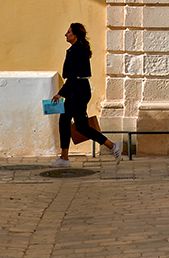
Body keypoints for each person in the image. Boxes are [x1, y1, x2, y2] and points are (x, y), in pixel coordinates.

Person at [51, 23, 122, 166]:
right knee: (64, 121)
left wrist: (60, 93)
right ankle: (64, 158)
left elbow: (73, 75)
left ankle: (113, 146)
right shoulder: (74, 49)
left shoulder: (78, 50)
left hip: (79, 90)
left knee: (81, 127)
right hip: (74, 89)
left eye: (69, 32)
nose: (66, 34)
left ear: (76, 34)